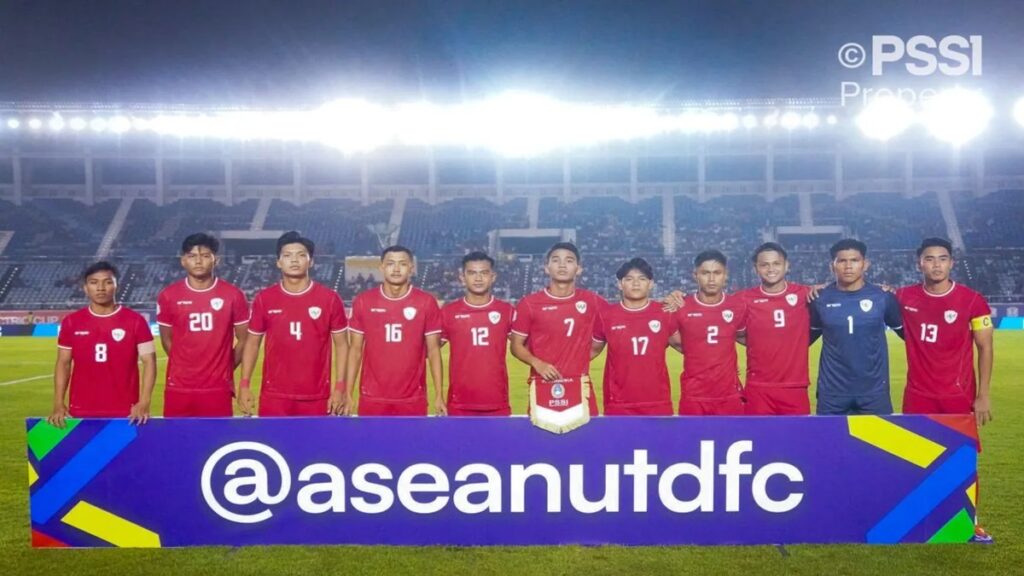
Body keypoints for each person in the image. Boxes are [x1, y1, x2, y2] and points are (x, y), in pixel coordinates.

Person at [895, 237, 994, 543]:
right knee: (916, 458)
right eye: (929, 259)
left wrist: (983, 395)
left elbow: (985, 348)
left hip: (958, 396)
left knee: (963, 460)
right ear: (919, 263)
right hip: (918, 395)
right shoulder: (903, 296)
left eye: (942, 259)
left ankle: (970, 522)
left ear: (951, 262)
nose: (936, 265)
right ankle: (920, 521)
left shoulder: (972, 300)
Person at [239, 231, 349, 416]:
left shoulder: (329, 299)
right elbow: (252, 343)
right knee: (274, 444)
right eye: (287, 256)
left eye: (301, 255)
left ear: (311, 261)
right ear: (278, 262)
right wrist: (244, 384)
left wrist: (340, 387)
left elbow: (342, 345)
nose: (294, 260)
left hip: (316, 395)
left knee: (316, 445)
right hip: (275, 396)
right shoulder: (265, 298)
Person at [48, 261, 156, 427]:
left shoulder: (136, 321)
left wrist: (144, 402)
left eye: (107, 282)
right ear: (85, 288)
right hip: (81, 409)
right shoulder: (72, 322)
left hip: (126, 410)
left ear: (117, 286)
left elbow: (149, 362)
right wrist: (58, 402)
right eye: (94, 282)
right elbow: (63, 363)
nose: (100, 288)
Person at [345, 245, 445, 416]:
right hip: (372, 397)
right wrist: (347, 393)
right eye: (391, 263)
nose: (397, 269)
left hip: (413, 398)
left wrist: (439, 395)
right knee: (372, 443)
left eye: (403, 264)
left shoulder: (426, 302)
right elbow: (355, 350)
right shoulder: (363, 301)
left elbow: (434, 350)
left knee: (412, 443)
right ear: (382, 267)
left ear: (411, 268)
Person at [157, 233, 249, 417]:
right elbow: (167, 339)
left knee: (217, 441)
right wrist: (183, 366)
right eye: (192, 256)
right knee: (176, 440)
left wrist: (227, 367)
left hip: (218, 387)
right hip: (179, 386)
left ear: (216, 260)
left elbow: (245, 339)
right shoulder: (168, 295)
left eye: (205, 256)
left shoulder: (233, 295)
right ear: (183, 261)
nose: (198, 261)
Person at [810, 238, 904, 415]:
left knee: (877, 442)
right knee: (830, 442)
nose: (848, 266)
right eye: (842, 261)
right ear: (833, 265)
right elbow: (801, 340)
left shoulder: (883, 297)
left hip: (874, 393)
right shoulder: (820, 299)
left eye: (854, 260)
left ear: (865, 264)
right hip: (832, 394)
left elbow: (910, 335)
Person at [511, 242, 605, 416]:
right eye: (556, 260)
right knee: (542, 441)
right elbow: (516, 345)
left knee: (587, 441)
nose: (562, 265)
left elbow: (621, 318)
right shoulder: (529, 304)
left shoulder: (593, 301)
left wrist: (583, 357)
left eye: (569, 260)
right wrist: (537, 363)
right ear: (547, 268)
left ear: (578, 269)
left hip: (580, 385)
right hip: (542, 384)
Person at [591, 257, 676, 415]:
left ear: (650, 284)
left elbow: (691, 349)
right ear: (620, 284)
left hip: (657, 403)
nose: (636, 283)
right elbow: (591, 351)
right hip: (618, 404)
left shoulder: (665, 313)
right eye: (629, 279)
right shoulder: (606, 315)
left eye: (642, 279)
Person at [737, 242, 812, 415]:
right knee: (759, 440)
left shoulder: (805, 294)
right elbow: (731, 330)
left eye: (776, 263)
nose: (771, 269)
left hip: (795, 387)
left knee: (796, 439)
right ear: (756, 268)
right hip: (758, 388)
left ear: (787, 265)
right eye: (764, 265)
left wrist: (884, 288)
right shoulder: (743, 299)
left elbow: (837, 290)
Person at [440, 251, 514, 416]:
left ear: (493, 276)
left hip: (497, 402)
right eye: (472, 273)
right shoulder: (448, 312)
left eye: (484, 273)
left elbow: (525, 346)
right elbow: (427, 350)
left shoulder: (507, 311)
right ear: (462, 277)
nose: (478, 278)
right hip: (459, 403)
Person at [674, 250, 747, 416]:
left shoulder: (737, 306)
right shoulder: (681, 306)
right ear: (696, 275)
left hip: (729, 394)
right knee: (691, 441)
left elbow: (744, 336)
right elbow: (673, 339)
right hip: (694, 395)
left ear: (725, 275)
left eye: (717, 273)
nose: (712, 279)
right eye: (706, 273)